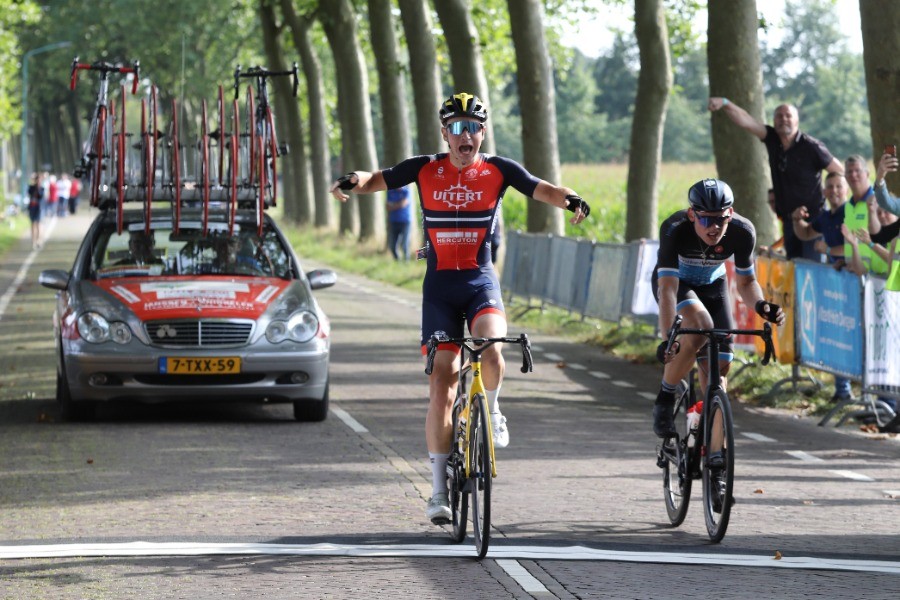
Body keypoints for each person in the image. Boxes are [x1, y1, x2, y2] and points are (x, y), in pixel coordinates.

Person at [329, 92, 591, 525]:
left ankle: (492, 409)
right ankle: (437, 492)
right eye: (456, 127)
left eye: (473, 127)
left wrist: (570, 199)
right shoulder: (424, 168)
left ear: (482, 133)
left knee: (492, 347)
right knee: (442, 384)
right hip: (439, 290)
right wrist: (351, 180)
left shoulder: (498, 169)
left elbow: (540, 187)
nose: (465, 134)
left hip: (479, 281)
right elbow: (378, 178)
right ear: (445, 133)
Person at [651, 178, 785, 442]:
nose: (714, 227)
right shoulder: (674, 228)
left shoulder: (743, 231)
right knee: (701, 327)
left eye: (720, 220)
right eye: (705, 220)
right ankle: (665, 398)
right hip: (679, 283)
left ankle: (713, 455)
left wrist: (761, 306)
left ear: (731, 214)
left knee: (719, 371)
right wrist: (668, 340)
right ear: (692, 214)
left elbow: (746, 282)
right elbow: (667, 288)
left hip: (714, 285)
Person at [707, 98, 843, 260]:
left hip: (812, 221)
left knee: (811, 268)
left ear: (797, 120)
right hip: (788, 221)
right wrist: (725, 103)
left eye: (788, 116)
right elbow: (747, 122)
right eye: (779, 116)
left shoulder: (812, 147)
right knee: (792, 268)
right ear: (773, 120)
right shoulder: (772, 139)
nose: (783, 119)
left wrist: (834, 199)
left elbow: (839, 170)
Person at [792, 172, 853, 402]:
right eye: (831, 187)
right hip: (835, 283)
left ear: (845, 190)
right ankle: (842, 389)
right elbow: (806, 233)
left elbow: (853, 248)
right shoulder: (826, 216)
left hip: (853, 280)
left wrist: (827, 251)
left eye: (839, 186)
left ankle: (880, 398)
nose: (835, 190)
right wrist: (797, 220)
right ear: (825, 192)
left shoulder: (851, 213)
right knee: (839, 334)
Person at [386, 185, 413, 260]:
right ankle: (397, 262)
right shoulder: (390, 192)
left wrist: (393, 205)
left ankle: (407, 262)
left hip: (405, 221)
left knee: (404, 245)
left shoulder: (406, 191)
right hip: (393, 221)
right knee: (392, 246)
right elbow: (387, 206)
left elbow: (403, 204)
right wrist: (398, 204)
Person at [26, 173, 43, 250]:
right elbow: (30, 193)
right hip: (32, 208)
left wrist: (38, 188)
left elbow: (40, 196)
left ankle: (38, 240)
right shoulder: (31, 187)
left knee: (38, 224)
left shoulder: (42, 188)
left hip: (38, 208)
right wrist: (34, 185)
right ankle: (33, 241)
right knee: (33, 224)